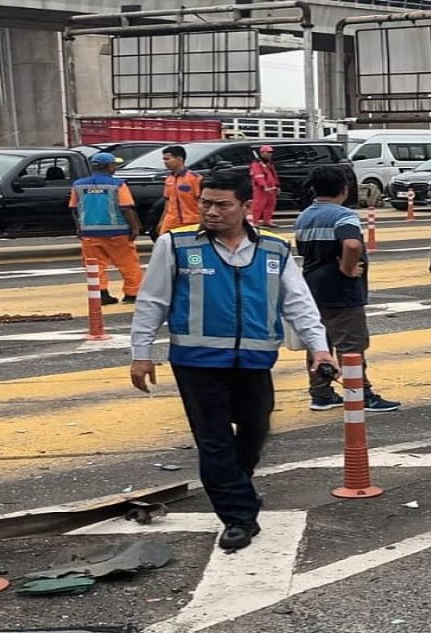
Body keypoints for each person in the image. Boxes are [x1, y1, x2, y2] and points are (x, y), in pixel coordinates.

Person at [129, 170, 336, 551]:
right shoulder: (176, 244)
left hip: (255, 359)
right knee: (215, 441)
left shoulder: (273, 249)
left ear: (245, 206)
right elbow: (152, 301)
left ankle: (236, 486)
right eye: (205, 203)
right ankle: (239, 517)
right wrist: (141, 353)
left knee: (255, 430)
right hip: (197, 361)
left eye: (222, 205)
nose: (211, 211)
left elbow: (298, 302)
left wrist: (320, 347)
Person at [295, 165, 401, 413]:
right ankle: (360, 393)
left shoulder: (304, 216)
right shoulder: (343, 215)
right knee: (351, 344)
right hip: (341, 290)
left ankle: (321, 393)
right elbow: (352, 244)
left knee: (319, 342)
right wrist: (347, 267)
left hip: (312, 287)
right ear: (344, 190)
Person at [69, 152, 143, 306]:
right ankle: (132, 294)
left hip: (90, 232)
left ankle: (101, 294)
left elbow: (74, 209)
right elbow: (126, 208)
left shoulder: (78, 185)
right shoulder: (118, 185)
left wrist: (79, 228)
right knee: (128, 264)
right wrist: (135, 227)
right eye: (114, 165)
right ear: (110, 166)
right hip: (118, 232)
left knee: (95, 266)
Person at [158, 145, 203, 236]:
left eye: (167, 159)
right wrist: (162, 221)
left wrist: (203, 221)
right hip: (171, 222)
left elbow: (201, 202)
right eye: (164, 159)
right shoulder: (169, 179)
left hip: (191, 222)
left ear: (179, 159)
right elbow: (168, 202)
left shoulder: (194, 178)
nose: (165, 162)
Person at [250, 145, 280, 228]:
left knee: (270, 204)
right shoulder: (256, 164)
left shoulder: (269, 164)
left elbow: (273, 175)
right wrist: (264, 186)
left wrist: (277, 185)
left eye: (271, 152)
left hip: (271, 188)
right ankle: (255, 221)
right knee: (258, 205)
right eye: (268, 152)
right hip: (261, 189)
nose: (270, 154)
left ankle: (267, 221)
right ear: (262, 153)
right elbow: (258, 176)